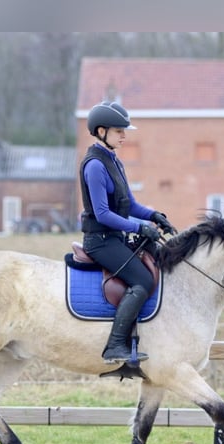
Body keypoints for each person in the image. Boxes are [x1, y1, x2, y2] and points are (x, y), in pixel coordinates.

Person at [79, 101, 176, 364]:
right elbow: (102, 214)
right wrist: (139, 227)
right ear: (101, 131)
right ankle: (115, 346)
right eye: (119, 130)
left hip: (114, 237)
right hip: (100, 241)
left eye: (125, 130)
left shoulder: (114, 162)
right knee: (142, 281)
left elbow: (130, 205)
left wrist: (154, 216)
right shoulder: (95, 165)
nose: (124, 135)